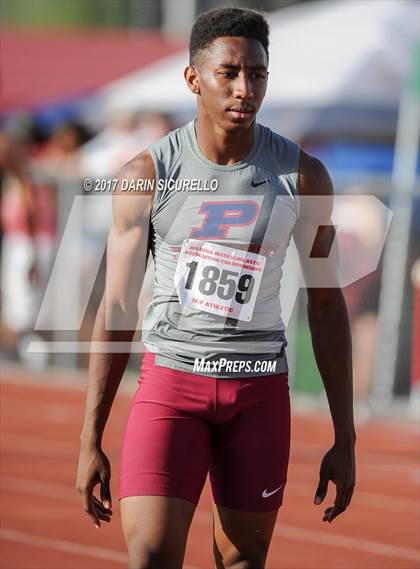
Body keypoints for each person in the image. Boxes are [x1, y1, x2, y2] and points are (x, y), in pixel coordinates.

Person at [76, 7, 356, 569]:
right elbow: (119, 305)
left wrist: (345, 437)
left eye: (257, 74)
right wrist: (91, 437)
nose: (244, 88)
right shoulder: (146, 174)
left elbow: (326, 307)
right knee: (153, 556)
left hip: (258, 395)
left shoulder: (303, 177)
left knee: (243, 561)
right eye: (228, 72)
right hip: (171, 390)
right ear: (192, 79)